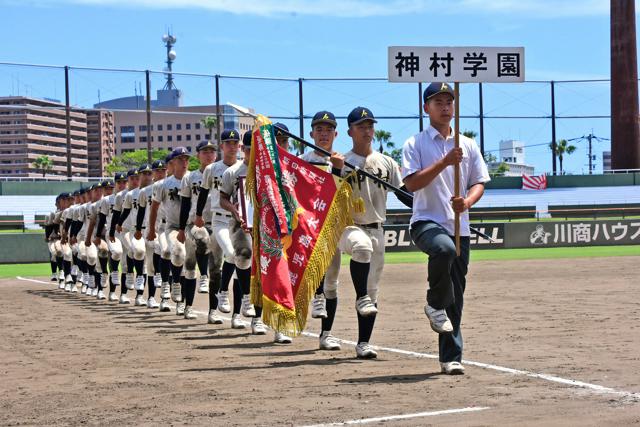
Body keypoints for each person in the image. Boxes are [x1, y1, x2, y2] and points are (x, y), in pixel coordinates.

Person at [402, 82, 490, 375]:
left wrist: (467, 201)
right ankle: (433, 303)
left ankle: (450, 357)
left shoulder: (468, 144)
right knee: (443, 249)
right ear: (425, 107)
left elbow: (479, 181)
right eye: (438, 102)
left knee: (456, 294)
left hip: (459, 226)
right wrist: (444, 162)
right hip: (426, 221)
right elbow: (412, 184)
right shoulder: (415, 144)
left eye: (449, 101)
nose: (445, 107)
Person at [337, 106, 411, 359]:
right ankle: (360, 297)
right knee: (361, 248)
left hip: (377, 228)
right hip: (348, 227)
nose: (367, 130)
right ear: (350, 131)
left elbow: (403, 194)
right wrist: (336, 170)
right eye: (361, 126)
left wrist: (430, 206)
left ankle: (363, 343)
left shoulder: (386, 162)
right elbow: (327, 195)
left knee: (373, 290)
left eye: (370, 125)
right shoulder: (341, 161)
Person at [300, 110, 344, 351]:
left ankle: (326, 334)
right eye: (319, 129)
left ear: (336, 134)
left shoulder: (342, 160)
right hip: (307, 224)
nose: (324, 133)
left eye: (328, 129)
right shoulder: (303, 160)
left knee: (332, 283)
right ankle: (280, 325)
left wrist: (337, 169)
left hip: (332, 225)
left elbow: (339, 194)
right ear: (311, 134)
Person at [219, 130, 269, 336]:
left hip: (264, 226)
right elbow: (223, 198)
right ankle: (246, 299)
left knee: (261, 273)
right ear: (243, 149)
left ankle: (257, 318)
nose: (253, 154)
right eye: (249, 150)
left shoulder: (266, 171)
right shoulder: (233, 172)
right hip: (240, 223)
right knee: (244, 255)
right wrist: (235, 210)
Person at [194, 131, 243, 326]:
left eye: (235, 142)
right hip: (219, 220)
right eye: (227, 142)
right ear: (221, 146)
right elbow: (203, 194)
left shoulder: (244, 168)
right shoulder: (212, 169)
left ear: (240, 146)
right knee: (217, 267)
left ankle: (237, 314)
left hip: (240, 222)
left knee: (241, 265)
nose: (232, 146)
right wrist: (198, 216)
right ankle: (213, 309)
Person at [147, 147, 191, 317]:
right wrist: (152, 230)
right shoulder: (163, 185)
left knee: (188, 266)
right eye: (180, 159)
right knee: (170, 252)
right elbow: (154, 209)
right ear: (172, 163)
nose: (184, 162)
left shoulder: (193, 179)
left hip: (190, 226)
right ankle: (166, 284)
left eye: (186, 159)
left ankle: (183, 303)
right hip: (170, 227)